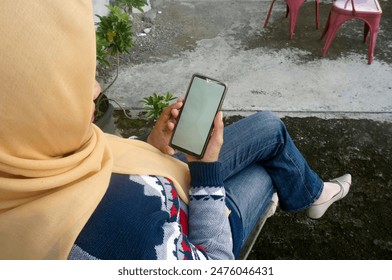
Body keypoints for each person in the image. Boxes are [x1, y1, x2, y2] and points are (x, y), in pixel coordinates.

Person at [0, 1, 351, 260]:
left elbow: (106, 167)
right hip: (200, 217)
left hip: (165, 176)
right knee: (268, 169)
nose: (96, 88)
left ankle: (314, 193)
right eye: (72, 79)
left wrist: (151, 148)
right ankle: (307, 193)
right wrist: (207, 171)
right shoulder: (122, 240)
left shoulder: (28, 155)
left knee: (269, 127)